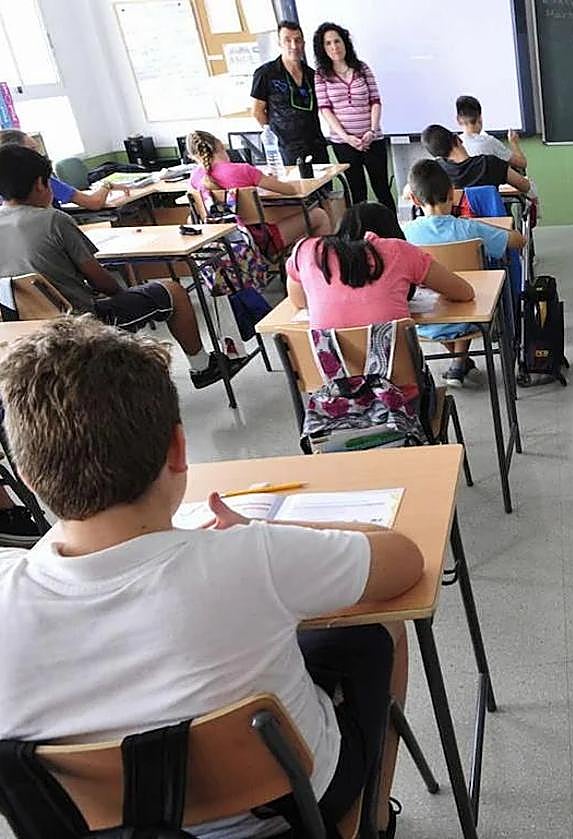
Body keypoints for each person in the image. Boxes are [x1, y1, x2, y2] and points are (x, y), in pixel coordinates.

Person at [0, 317, 424, 837]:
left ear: (25, 472)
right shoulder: (249, 556)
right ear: (180, 451)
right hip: (290, 818)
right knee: (375, 634)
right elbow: (402, 557)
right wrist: (265, 528)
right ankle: (374, 819)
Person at [0, 144, 229, 389]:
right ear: (40, 184)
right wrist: (122, 294)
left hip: (23, 330)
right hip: (81, 325)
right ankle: (203, 366)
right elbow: (102, 282)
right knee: (173, 291)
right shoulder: (54, 220)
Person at [404, 159, 526, 386]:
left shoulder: (403, 235)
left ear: (413, 198)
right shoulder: (470, 229)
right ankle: (459, 360)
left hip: (421, 320)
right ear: (453, 193)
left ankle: (458, 361)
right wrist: (491, 228)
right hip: (473, 316)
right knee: (469, 288)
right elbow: (519, 241)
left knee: (438, 291)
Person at [286, 201, 474, 334]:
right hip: (398, 386)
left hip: (334, 385)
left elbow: (300, 302)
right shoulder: (398, 250)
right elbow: (464, 292)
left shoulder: (307, 250)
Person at [186, 130, 332, 253]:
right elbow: (290, 190)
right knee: (319, 215)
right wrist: (268, 180)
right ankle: (323, 267)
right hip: (258, 240)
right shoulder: (243, 170)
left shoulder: (195, 177)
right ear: (220, 146)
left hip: (221, 243)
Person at [313, 22, 395, 212]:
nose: (334, 47)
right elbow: (325, 109)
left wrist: (372, 131)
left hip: (372, 138)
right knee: (357, 192)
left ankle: (394, 233)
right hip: (344, 143)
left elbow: (375, 100)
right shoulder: (321, 75)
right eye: (328, 43)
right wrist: (347, 138)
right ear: (322, 48)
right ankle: (361, 236)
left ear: (345, 43)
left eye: (337, 41)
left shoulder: (362, 68)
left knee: (382, 187)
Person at [251, 20, 328, 165]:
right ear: (279, 43)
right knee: (295, 187)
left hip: (316, 145)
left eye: (298, 40)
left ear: (303, 44)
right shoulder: (266, 74)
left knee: (324, 187)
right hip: (286, 149)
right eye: (287, 40)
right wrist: (276, 135)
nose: (294, 46)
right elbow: (257, 111)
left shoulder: (312, 75)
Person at [0, 129, 129, 211]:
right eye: (33, 150)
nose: (39, 154)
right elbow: (94, 203)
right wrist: (107, 185)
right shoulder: (40, 180)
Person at [419, 123, 530, 194]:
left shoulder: (436, 170)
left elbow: (409, 191)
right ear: (458, 139)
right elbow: (525, 186)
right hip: (494, 226)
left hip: (457, 228)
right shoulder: (490, 163)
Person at [456, 94, 527, 171]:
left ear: (458, 120)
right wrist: (514, 143)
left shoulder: (453, 146)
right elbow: (522, 164)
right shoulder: (489, 142)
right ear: (480, 118)